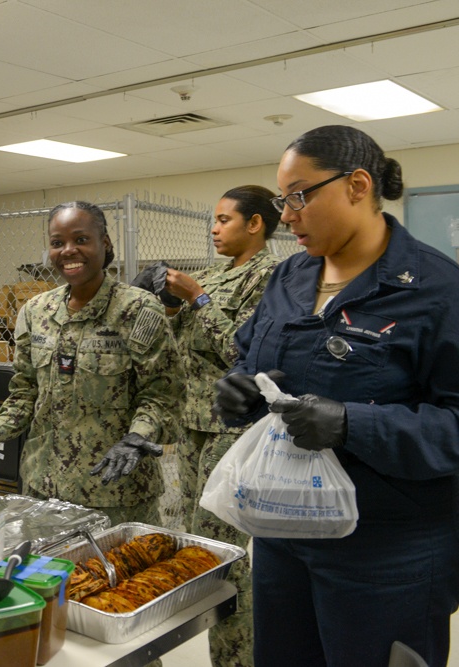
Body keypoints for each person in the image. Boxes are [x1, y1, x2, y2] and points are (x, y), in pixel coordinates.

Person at [215, 125, 459, 667]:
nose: (287, 214)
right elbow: (251, 359)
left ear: (357, 185)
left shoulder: (437, 291)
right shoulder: (289, 278)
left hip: (385, 553)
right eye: (283, 200)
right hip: (284, 539)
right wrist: (240, 391)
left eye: (300, 195)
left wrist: (353, 424)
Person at [0, 201, 180, 527]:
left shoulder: (138, 309)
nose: (68, 251)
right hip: (43, 487)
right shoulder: (36, 311)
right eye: (57, 243)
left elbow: (163, 393)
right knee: (43, 577)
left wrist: (137, 437)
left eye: (81, 240)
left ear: (104, 243)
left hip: (115, 491)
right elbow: (24, 396)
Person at [160, 185, 280, 667]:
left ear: (255, 224)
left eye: (225, 219)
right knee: (200, 540)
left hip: (232, 429)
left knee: (222, 551)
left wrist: (198, 297)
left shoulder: (268, 275)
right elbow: (180, 345)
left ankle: (238, 657)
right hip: (193, 425)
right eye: (213, 219)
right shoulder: (212, 273)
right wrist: (172, 306)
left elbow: (244, 353)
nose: (213, 228)